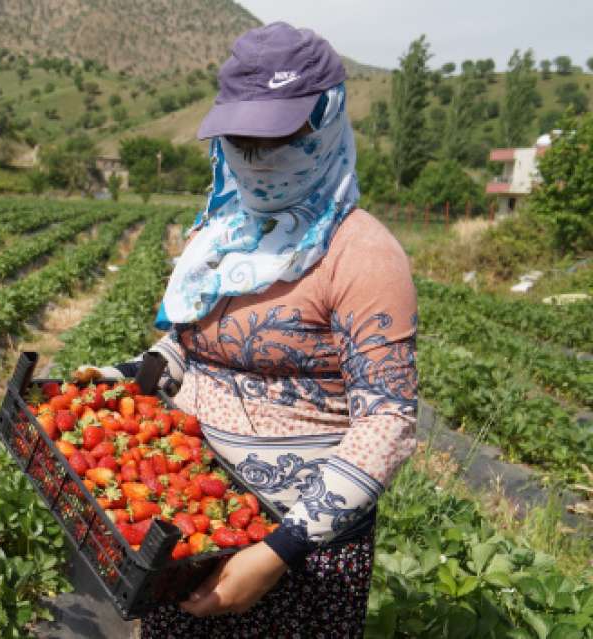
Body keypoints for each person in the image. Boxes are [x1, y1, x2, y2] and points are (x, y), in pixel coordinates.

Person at [77, 22, 417, 637]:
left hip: (302, 552)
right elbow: (186, 348)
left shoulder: (360, 254)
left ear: (329, 118)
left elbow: (387, 421)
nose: (258, 158)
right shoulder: (220, 236)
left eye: (279, 136)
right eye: (242, 138)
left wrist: (277, 551)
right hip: (186, 522)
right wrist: (125, 379)